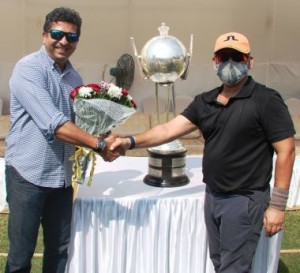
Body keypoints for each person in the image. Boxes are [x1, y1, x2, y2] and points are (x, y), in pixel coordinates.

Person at [110, 32, 296, 272]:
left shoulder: (266, 100)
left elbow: (287, 150)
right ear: (214, 61)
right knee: (220, 262)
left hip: (244, 200)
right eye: (223, 56)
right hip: (214, 197)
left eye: (237, 57)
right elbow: (168, 130)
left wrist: (278, 206)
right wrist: (130, 141)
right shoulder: (205, 101)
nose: (230, 62)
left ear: (249, 61)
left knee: (233, 268)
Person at [4, 7, 120, 273]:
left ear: (78, 40)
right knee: (21, 256)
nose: (64, 42)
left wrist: (103, 132)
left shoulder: (75, 79)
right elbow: (54, 124)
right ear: (45, 34)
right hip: (27, 175)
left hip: (61, 178)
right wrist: (99, 145)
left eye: (72, 37)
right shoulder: (28, 69)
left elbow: (78, 125)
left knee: (58, 252)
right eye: (57, 34)